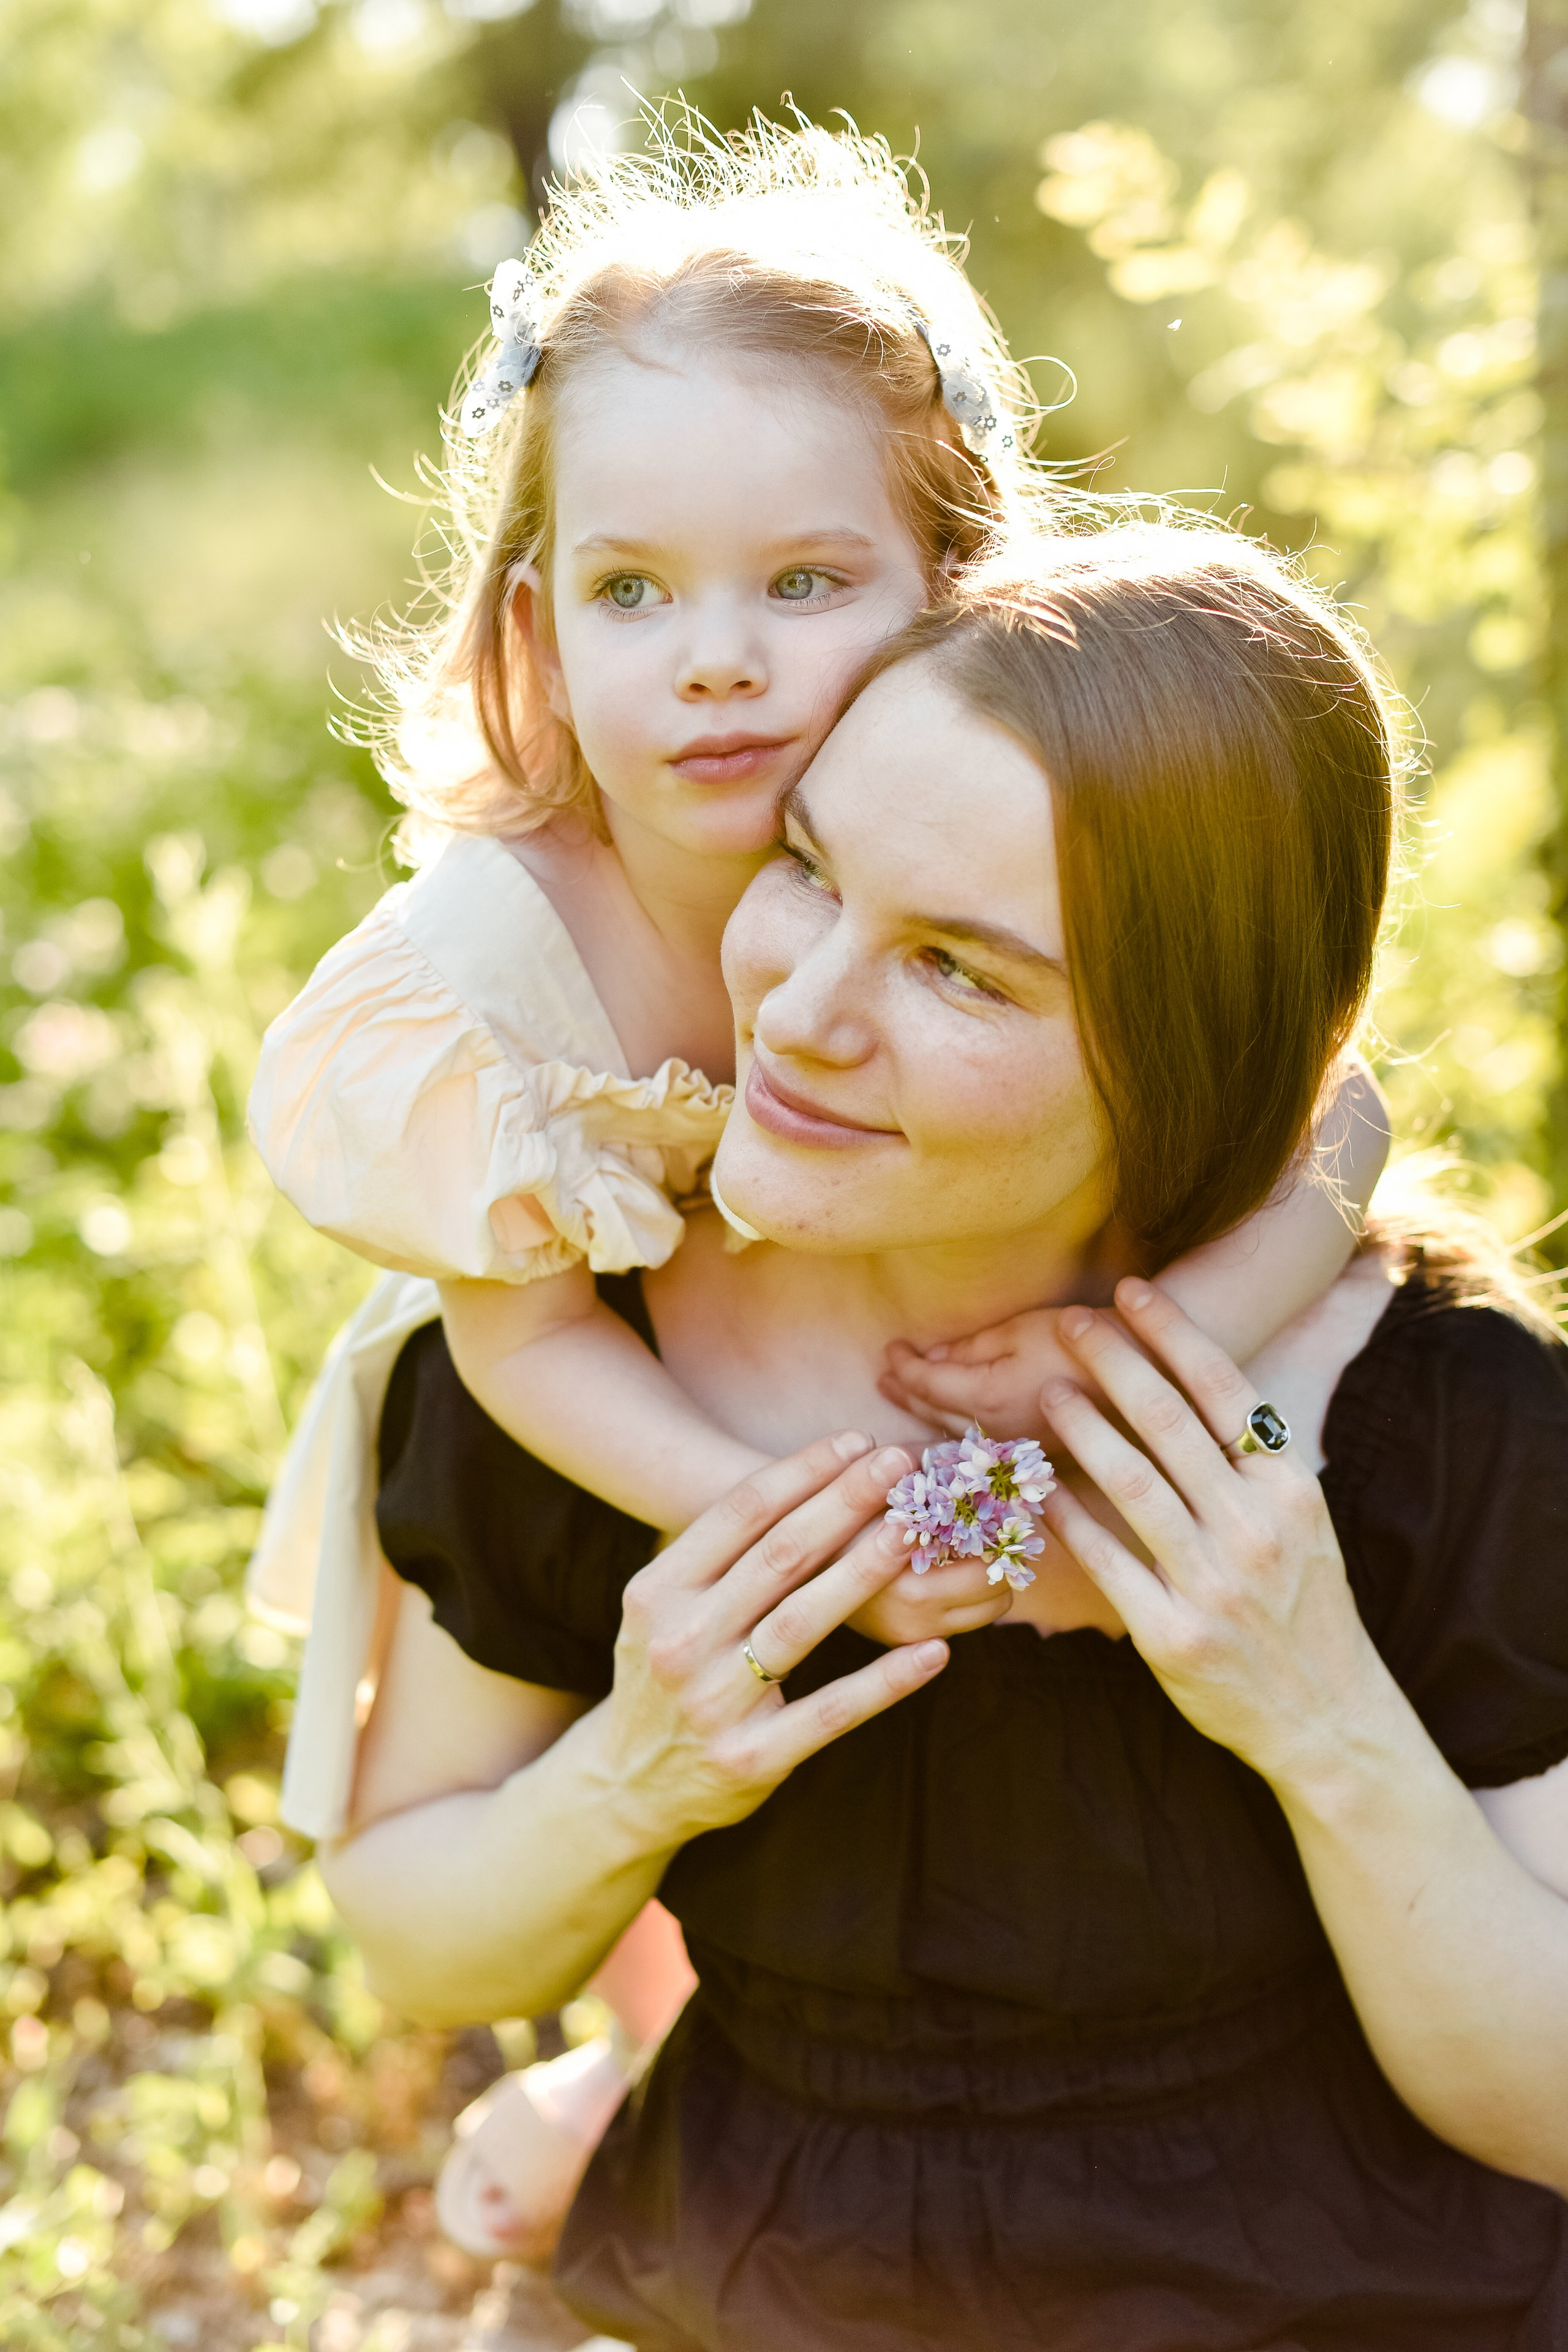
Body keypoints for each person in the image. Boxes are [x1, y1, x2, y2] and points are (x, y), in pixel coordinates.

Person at [246, 124, 1386, 2250]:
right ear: (536, 617)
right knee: (654, 1666)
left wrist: (1133, 1364)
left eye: (804, 582)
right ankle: (650, 2055)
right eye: (632, 593)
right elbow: (521, 1336)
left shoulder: (1005, 813)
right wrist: (790, 1527)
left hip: (907, 1318)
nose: (717, 664)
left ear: (955, 576)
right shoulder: (504, 953)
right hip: (590, 1369)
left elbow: (1333, 1120)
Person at [313, 524, 1568, 2350]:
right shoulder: (586, 1373)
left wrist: (1318, 1710)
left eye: (960, 971)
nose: (802, 1016)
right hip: (761, 2281)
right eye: (810, 870)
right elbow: (422, 1944)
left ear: (1188, 1063)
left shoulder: (1441, 1419)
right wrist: (640, 1769)